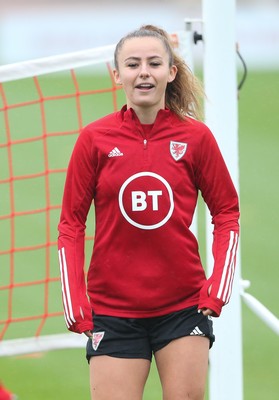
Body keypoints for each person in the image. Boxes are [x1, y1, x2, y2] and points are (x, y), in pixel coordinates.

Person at [58, 24, 240, 400]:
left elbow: (226, 213)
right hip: (113, 310)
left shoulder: (196, 138)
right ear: (116, 74)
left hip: (183, 308)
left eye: (154, 63)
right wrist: (76, 301)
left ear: (170, 72)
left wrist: (215, 292)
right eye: (133, 64)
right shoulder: (94, 140)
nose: (144, 71)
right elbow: (71, 225)